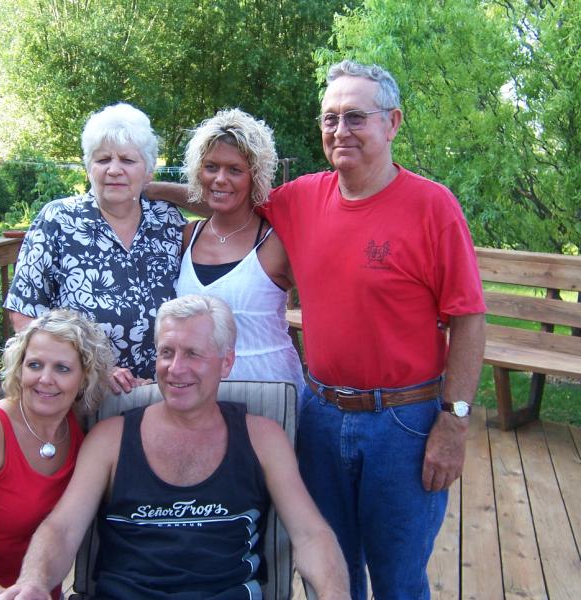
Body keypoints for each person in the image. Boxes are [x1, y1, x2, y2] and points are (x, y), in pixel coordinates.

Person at [147, 61, 487, 600]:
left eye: (355, 117)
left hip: (404, 423)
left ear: (393, 122)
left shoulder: (432, 206)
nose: (340, 130)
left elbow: (468, 316)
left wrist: (455, 422)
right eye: (330, 118)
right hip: (321, 417)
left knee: (398, 580)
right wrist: (135, 186)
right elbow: (222, 193)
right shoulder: (302, 199)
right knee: (328, 572)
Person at [0, 295, 350, 600]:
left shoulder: (262, 439)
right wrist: (34, 581)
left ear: (226, 362)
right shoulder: (111, 439)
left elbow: (311, 534)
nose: (175, 368)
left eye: (193, 354)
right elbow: (62, 528)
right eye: (166, 352)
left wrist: (334, 594)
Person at [3, 103, 186, 393]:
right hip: (81, 395)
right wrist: (94, 370)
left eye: (128, 160)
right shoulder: (59, 219)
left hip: (161, 392)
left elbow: (226, 205)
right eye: (103, 159)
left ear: (148, 172)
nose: (114, 170)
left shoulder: (167, 221)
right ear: (89, 167)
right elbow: (24, 312)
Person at [0, 309, 113, 597]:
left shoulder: (77, 425)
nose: (45, 379)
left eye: (62, 368)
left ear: (85, 377)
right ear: (20, 369)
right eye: (35, 365)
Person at [176, 108, 306, 397]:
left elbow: (322, 309)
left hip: (269, 393)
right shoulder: (188, 236)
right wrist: (149, 189)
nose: (220, 179)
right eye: (211, 167)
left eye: (234, 170)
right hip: (200, 398)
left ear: (254, 176)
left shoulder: (275, 242)